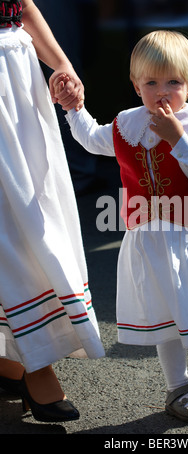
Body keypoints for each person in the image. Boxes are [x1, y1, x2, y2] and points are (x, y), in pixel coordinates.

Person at [57, 30, 188, 424]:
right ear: (135, 86)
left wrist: (178, 138)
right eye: (151, 83)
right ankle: (178, 387)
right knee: (167, 317)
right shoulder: (126, 125)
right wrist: (73, 108)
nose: (162, 92)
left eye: (173, 83)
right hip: (150, 239)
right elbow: (90, 138)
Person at [0, 0, 105, 422]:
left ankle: (15, 359)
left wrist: (61, 64)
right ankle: (34, 364)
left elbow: (20, 4)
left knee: (34, 209)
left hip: (17, 71)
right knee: (11, 220)